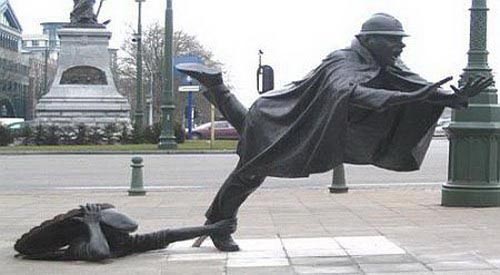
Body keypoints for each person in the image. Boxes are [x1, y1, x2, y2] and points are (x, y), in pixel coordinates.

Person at [176, 13, 493, 252]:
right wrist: (403, 98)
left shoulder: (388, 61)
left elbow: (419, 88)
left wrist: (450, 98)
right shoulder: (343, 60)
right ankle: (221, 226)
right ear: (369, 40)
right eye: (393, 39)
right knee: (251, 171)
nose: (401, 45)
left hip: (305, 126)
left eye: (401, 40)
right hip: (281, 116)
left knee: (253, 167)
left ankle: (220, 223)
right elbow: (349, 91)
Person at [14, 204, 236, 261]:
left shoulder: (122, 242)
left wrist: (211, 228)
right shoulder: (80, 244)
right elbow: (101, 254)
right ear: (105, 231)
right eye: (119, 233)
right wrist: (92, 225)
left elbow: (166, 235)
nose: (124, 237)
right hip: (36, 245)